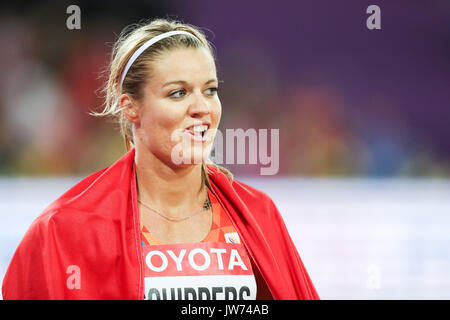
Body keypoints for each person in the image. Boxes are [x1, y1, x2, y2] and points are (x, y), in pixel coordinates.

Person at [2, 18, 319, 300]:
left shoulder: (258, 215)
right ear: (130, 107)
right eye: (178, 93)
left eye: (210, 90)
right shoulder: (64, 230)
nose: (201, 108)